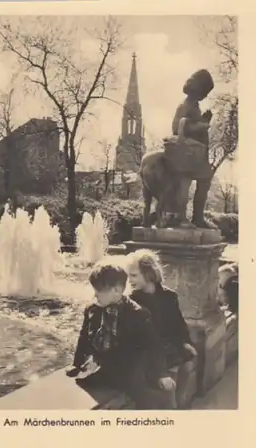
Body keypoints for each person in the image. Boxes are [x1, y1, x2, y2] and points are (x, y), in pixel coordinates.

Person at [66, 260, 176, 409]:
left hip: (129, 368)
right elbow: (84, 337)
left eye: (99, 290)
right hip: (104, 366)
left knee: (144, 397)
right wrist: (76, 364)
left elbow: (153, 346)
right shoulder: (92, 310)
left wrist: (161, 374)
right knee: (83, 384)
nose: (95, 294)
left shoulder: (137, 314)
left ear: (117, 290)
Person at [126, 249, 198, 409]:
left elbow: (179, 325)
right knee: (168, 395)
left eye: (134, 275)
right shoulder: (133, 301)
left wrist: (186, 342)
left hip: (171, 348)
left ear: (149, 273)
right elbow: (139, 339)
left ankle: (181, 405)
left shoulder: (169, 296)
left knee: (187, 365)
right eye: (128, 275)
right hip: (152, 355)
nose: (129, 280)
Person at [171, 69, 215, 228]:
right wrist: (200, 125)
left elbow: (193, 124)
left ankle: (198, 217)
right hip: (187, 153)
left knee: (204, 181)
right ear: (198, 88)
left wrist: (204, 120)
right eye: (204, 91)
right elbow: (177, 127)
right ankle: (180, 218)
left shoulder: (195, 106)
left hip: (198, 153)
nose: (205, 95)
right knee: (184, 183)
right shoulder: (185, 104)